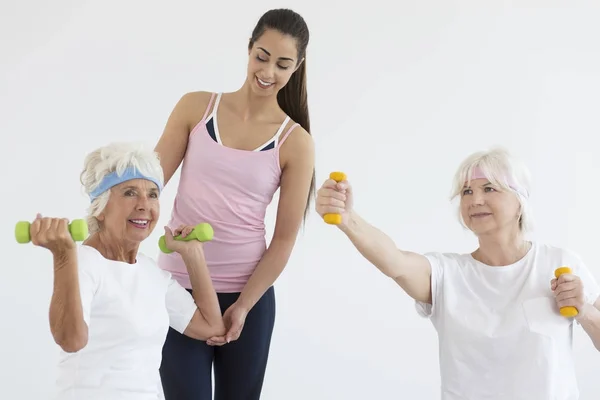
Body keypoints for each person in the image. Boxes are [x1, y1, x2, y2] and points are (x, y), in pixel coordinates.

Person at [315, 147, 600, 400]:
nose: (475, 200)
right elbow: (396, 261)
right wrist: (347, 219)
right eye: (466, 192)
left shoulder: (560, 263)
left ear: (520, 201)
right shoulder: (446, 274)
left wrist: (584, 310)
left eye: (489, 189)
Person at [153, 8, 315, 400]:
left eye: (282, 63)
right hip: (178, 289)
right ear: (248, 48)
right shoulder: (197, 107)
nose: (268, 71)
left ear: (297, 67)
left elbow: (283, 241)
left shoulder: (295, 141)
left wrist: (242, 306)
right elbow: (149, 185)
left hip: (248, 296)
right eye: (262, 55)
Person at [30, 142, 226, 400]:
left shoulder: (150, 272)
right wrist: (64, 256)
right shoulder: (85, 262)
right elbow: (71, 340)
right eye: (130, 193)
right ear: (100, 208)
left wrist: (193, 255)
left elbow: (211, 327)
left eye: (153, 194)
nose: (145, 205)